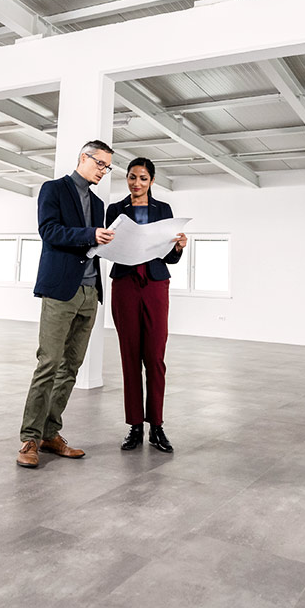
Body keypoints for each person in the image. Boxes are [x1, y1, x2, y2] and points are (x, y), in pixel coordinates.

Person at [16, 140, 118, 469]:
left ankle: (50, 433)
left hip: (90, 292)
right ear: (83, 158)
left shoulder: (100, 202)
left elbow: (94, 242)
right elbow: (49, 231)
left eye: (107, 167)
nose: (104, 171)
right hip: (61, 290)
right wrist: (90, 234)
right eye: (100, 164)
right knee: (49, 363)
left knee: (71, 368)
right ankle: (29, 438)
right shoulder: (54, 189)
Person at [105, 157, 187, 453]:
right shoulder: (115, 210)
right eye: (131, 177)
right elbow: (110, 247)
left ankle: (157, 426)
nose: (136, 183)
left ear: (151, 181)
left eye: (142, 178)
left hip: (154, 284)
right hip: (125, 284)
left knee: (154, 358)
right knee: (129, 356)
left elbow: (168, 257)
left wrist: (177, 247)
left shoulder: (163, 210)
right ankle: (135, 427)